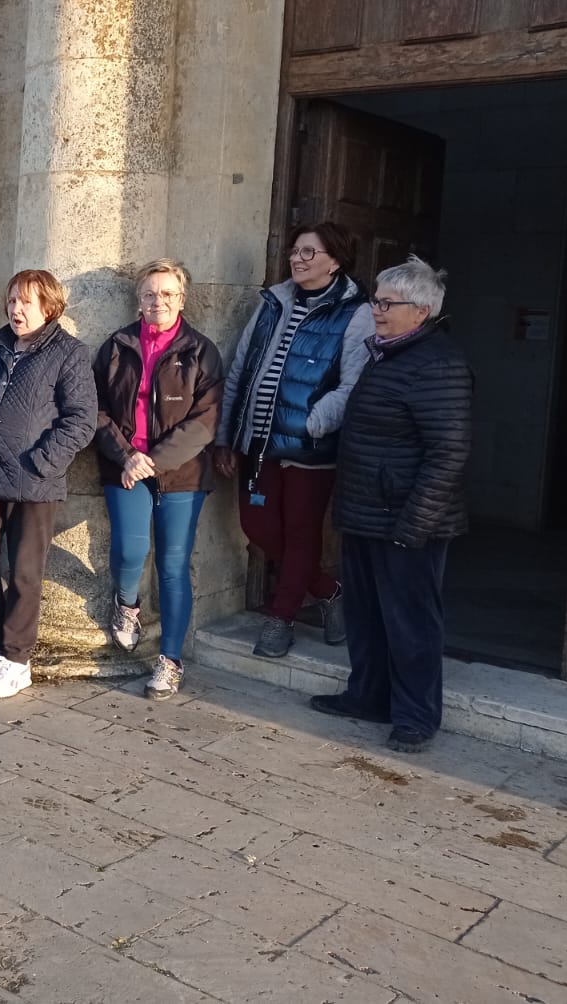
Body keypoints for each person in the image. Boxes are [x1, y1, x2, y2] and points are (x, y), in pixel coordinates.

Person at [313, 256, 472, 754]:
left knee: (411, 621)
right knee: (367, 614)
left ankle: (416, 716)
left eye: (385, 303)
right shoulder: (386, 354)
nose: (375, 310)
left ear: (419, 311)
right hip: (366, 511)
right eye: (375, 300)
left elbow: (448, 451)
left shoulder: (438, 364)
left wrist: (416, 523)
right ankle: (367, 696)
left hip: (407, 521)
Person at [213, 222, 373, 659]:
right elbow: (241, 369)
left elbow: (353, 386)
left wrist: (312, 424)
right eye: (295, 250)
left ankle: (280, 620)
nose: (297, 259)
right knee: (257, 527)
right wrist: (227, 435)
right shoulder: (273, 302)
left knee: (301, 535)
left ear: (335, 261)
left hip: (308, 451)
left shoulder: (356, 313)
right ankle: (329, 591)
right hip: (258, 445)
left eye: (309, 252)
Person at [0, 270, 98, 700]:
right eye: (13, 300)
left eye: (27, 302)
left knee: (25, 571)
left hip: (35, 481)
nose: (16, 309)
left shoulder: (68, 353)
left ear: (48, 307)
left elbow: (82, 418)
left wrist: (44, 461)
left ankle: (18, 660)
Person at [92, 259, 224, 701]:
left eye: (168, 294)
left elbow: (205, 422)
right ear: (138, 299)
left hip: (182, 473)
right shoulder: (116, 346)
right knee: (130, 550)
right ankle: (127, 604)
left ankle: (170, 660)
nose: (158, 301)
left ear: (182, 299)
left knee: (172, 564)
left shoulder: (201, 351)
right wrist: (128, 456)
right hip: (124, 467)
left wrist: (154, 460)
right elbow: (94, 409)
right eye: (150, 293)